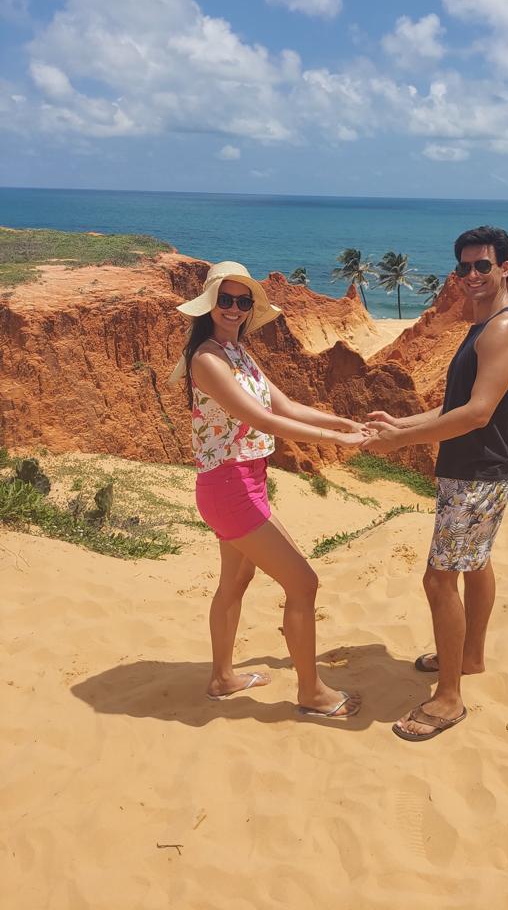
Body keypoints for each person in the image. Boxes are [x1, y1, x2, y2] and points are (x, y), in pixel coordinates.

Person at [172, 261, 365, 718]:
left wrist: (340, 421)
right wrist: (336, 441)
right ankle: (311, 692)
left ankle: (222, 678)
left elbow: (286, 405)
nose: (235, 309)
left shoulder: (237, 352)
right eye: (226, 300)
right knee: (303, 582)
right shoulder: (207, 359)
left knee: (236, 580)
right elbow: (260, 420)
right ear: (210, 303)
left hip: (244, 481)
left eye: (243, 301)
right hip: (229, 487)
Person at [364, 227, 508, 741]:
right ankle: (471, 657)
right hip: (479, 471)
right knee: (474, 565)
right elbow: (455, 407)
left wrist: (399, 445)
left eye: (484, 265)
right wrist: (402, 426)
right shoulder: (482, 327)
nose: (473, 276)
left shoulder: (503, 329)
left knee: (439, 579)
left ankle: (449, 697)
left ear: (506, 267)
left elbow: (478, 415)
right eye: (465, 268)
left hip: (475, 473)